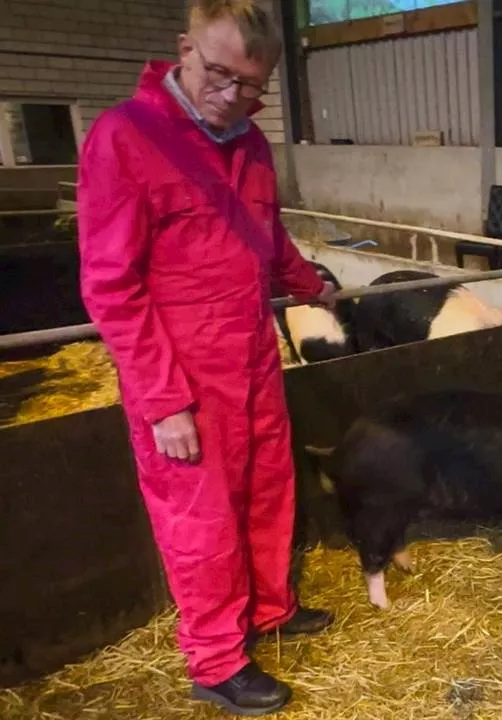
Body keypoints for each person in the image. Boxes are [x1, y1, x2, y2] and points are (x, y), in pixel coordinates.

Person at [76, 1, 337, 714]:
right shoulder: (124, 137)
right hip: (182, 366)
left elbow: (267, 236)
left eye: (253, 87)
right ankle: (217, 660)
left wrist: (314, 284)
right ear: (185, 50)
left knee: (267, 486)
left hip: (251, 348)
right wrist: (162, 399)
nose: (232, 98)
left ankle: (269, 609)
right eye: (219, 75)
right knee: (201, 516)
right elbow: (110, 286)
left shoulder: (249, 143)